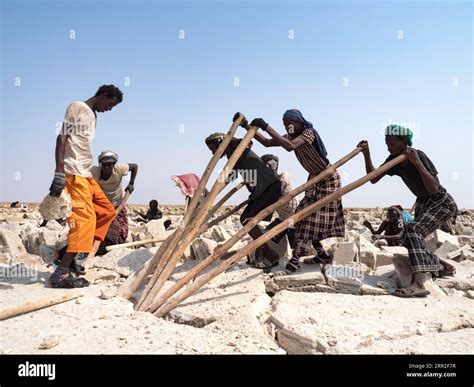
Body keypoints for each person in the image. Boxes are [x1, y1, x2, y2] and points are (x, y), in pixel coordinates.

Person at [234, 110, 345, 275]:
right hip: (314, 180)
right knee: (300, 218)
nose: (287, 127)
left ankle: (294, 262)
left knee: (309, 220)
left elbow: (290, 147)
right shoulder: (290, 137)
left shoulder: (308, 133)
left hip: (327, 179)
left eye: (290, 124)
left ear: (299, 122)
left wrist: (266, 126)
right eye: (285, 125)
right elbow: (267, 143)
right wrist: (247, 127)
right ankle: (322, 255)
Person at [358, 124, 458, 297]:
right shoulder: (393, 160)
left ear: (404, 142)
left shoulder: (418, 155)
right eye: (386, 143)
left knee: (413, 230)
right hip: (423, 204)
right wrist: (366, 154)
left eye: (392, 144)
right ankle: (442, 266)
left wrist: (416, 162)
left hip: (441, 202)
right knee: (408, 238)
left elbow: (434, 188)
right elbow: (373, 179)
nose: (388, 147)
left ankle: (418, 284)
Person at [48, 84, 123, 288]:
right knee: (84, 221)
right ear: (103, 95)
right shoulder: (78, 107)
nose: (109, 109)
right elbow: (61, 138)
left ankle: (69, 254)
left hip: (85, 173)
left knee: (107, 211)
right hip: (73, 173)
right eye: (110, 104)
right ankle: (61, 273)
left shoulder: (92, 115)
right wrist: (59, 171)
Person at [205, 132, 282, 268]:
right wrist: (212, 193)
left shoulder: (237, 147)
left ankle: (270, 254)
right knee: (247, 220)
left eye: (213, 149)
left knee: (248, 220)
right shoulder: (233, 155)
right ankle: (264, 252)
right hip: (262, 190)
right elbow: (229, 176)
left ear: (220, 143)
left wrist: (229, 138)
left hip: (269, 187)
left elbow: (244, 141)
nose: (213, 154)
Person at [90, 150, 138, 255]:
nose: (107, 167)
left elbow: (135, 166)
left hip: (117, 206)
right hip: (101, 205)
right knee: (95, 228)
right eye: (104, 165)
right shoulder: (94, 171)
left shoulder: (119, 169)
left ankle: (104, 245)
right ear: (100, 164)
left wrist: (131, 183)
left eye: (109, 165)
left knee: (120, 231)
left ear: (114, 164)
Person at [260, 154, 298, 250]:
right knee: (265, 237)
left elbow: (279, 190)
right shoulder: (267, 185)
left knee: (295, 245)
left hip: (294, 217)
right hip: (282, 219)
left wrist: (272, 170)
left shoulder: (284, 175)